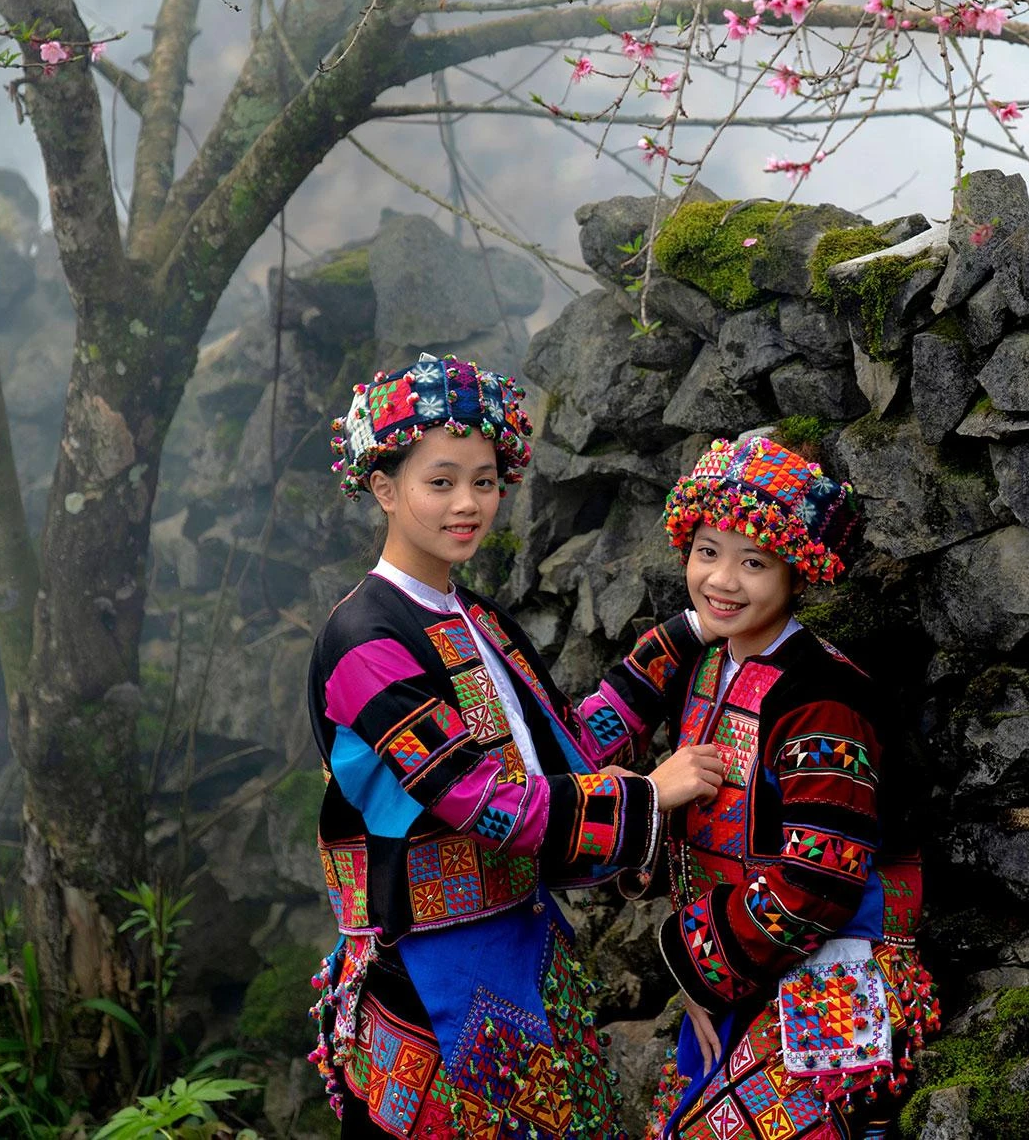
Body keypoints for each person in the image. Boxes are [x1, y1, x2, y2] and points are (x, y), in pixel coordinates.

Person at [305, 353, 725, 1140]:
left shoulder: (472, 618)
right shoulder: (365, 642)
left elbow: (562, 748)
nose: (469, 504)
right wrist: (649, 794)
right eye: (441, 482)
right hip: (434, 973)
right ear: (384, 488)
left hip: (523, 944)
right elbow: (481, 798)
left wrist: (693, 629)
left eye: (486, 480)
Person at [629, 437, 938, 1140]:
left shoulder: (822, 698)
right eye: (708, 552)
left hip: (831, 974)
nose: (723, 581)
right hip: (743, 967)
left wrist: (695, 964)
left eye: (754, 562)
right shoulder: (709, 668)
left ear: (798, 574)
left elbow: (820, 879)